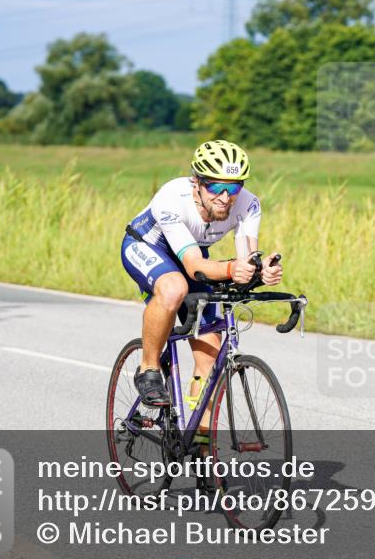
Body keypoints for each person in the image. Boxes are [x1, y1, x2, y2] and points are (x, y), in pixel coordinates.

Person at [120, 140, 282, 423]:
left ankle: (201, 443)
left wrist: (260, 272)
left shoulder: (249, 204)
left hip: (193, 252)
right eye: (214, 186)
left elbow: (247, 258)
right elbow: (194, 267)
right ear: (197, 182)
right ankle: (148, 369)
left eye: (233, 187)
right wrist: (233, 268)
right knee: (174, 288)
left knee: (209, 355)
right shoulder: (172, 197)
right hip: (147, 247)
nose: (224, 196)